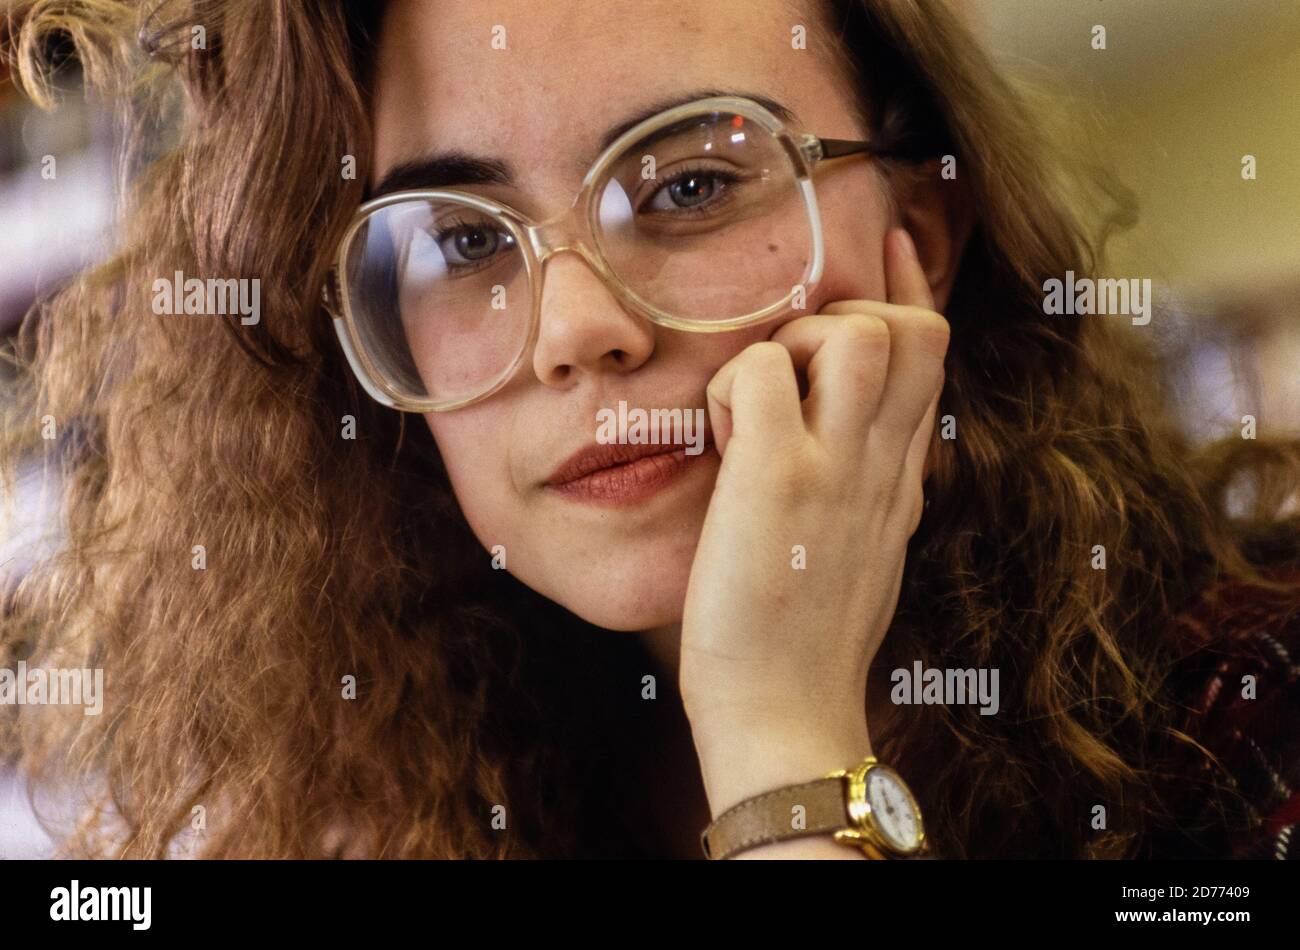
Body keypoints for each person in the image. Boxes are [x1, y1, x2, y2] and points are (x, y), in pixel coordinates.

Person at [1, 0, 1297, 860]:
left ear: (922, 242)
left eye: (689, 181)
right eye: (459, 238)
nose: (571, 328)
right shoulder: (386, 796)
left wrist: (780, 738)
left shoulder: (1251, 711)